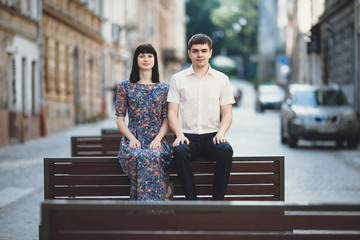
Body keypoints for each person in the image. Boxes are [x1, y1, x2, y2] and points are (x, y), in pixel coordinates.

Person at [167, 33, 235, 200]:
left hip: (212, 137)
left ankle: (217, 203)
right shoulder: (178, 79)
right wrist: (179, 135)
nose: (200, 55)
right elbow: (171, 113)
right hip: (187, 137)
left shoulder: (222, 79)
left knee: (226, 151)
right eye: (195, 51)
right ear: (189, 53)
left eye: (204, 51)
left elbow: (227, 113)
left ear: (210, 53)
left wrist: (221, 133)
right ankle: (193, 202)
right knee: (180, 152)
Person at [115, 43, 172, 201]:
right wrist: (132, 138)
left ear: (155, 60)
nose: (146, 59)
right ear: (136, 60)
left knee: (152, 155)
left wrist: (158, 139)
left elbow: (167, 119)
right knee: (140, 156)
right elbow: (120, 120)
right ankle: (155, 207)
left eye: (149, 56)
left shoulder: (164, 88)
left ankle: (141, 206)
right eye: (142, 56)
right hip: (133, 139)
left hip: (158, 139)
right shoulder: (125, 87)